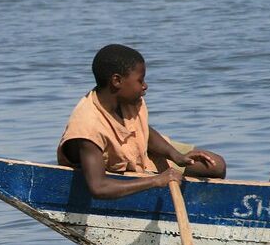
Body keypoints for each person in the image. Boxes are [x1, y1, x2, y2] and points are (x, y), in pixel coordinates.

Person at [57, 44, 226, 199]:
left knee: (215, 166)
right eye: (140, 80)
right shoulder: (88, 126)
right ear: (117, 81)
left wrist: (176, 155)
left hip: (141, 154)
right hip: (116, 169)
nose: (145, 86)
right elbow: (99, 187)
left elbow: (143, 130)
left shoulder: (129, 100)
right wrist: (156, 181)